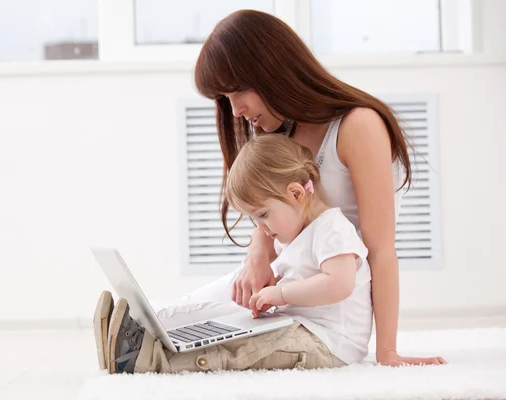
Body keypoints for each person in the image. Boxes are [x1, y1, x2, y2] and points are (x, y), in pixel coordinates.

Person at [190, 9, 445, 367]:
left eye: (239, 92)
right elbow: (272, 217)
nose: (235, 111)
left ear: (273, 70)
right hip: (291, 282)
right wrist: (257, 253)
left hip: (330, 299)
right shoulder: (278, 130)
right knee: (183, 316)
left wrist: (388, 352)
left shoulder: (359, 126)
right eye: (226, 99)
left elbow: (381, 249)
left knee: (209, 330)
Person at [98, 134, 373, 373]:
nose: (261, 229)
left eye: (263, 215)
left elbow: (339, 283)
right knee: (225, 323)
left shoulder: (332, 227)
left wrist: (280, 295)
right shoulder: (293, 235)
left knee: (244, 348)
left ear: (297, 194)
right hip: (301, 326)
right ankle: (142, 330)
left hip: (331, 345)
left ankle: (153, 359)